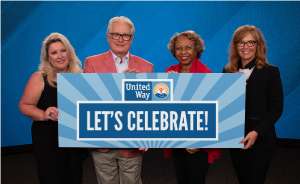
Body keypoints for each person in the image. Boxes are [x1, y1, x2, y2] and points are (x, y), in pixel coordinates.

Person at [83, 16, 153, 184]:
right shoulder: (91, 63)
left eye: (125, 35)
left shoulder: (146, 66)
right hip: (102, 141)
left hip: (132, 143)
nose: (120, 39)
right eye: (116, 34)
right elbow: (89, 99)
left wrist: (148, 133)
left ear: (131, 39)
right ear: (108, 37)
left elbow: (148, 106)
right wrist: (121, 84)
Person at [19, 33, 88, 184]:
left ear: (69, 53)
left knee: (74, 179)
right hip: (48, 140)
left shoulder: (81, 77)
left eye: (63, 50)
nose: (60, 56)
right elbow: (24, 106)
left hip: (73, 140)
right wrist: (43, 114)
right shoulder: (39, 78)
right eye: (54, 52)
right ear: (48, 57)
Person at [223, 25, 284, 184]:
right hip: (235, 139)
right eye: (241, 42)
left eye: (251, 42)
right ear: (235, 46)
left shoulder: (271, 71)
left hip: (261, 141)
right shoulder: (227, 72)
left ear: (258, 45)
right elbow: (223, 106)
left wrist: (257, 132)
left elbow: (276, 108)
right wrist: (232, 92)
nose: (246, 47)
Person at [164, 31, 222, 184]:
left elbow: (213, 114)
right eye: (178, 48)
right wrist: (170, 86)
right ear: (174, 51)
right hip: (177, 138)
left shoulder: (206, 74)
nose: (183, 52)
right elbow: (165, 109)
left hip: (198, 143)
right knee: (181, 179)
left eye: (188, 48)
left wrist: (200, 142)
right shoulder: (170, 72)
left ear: (196, 50)